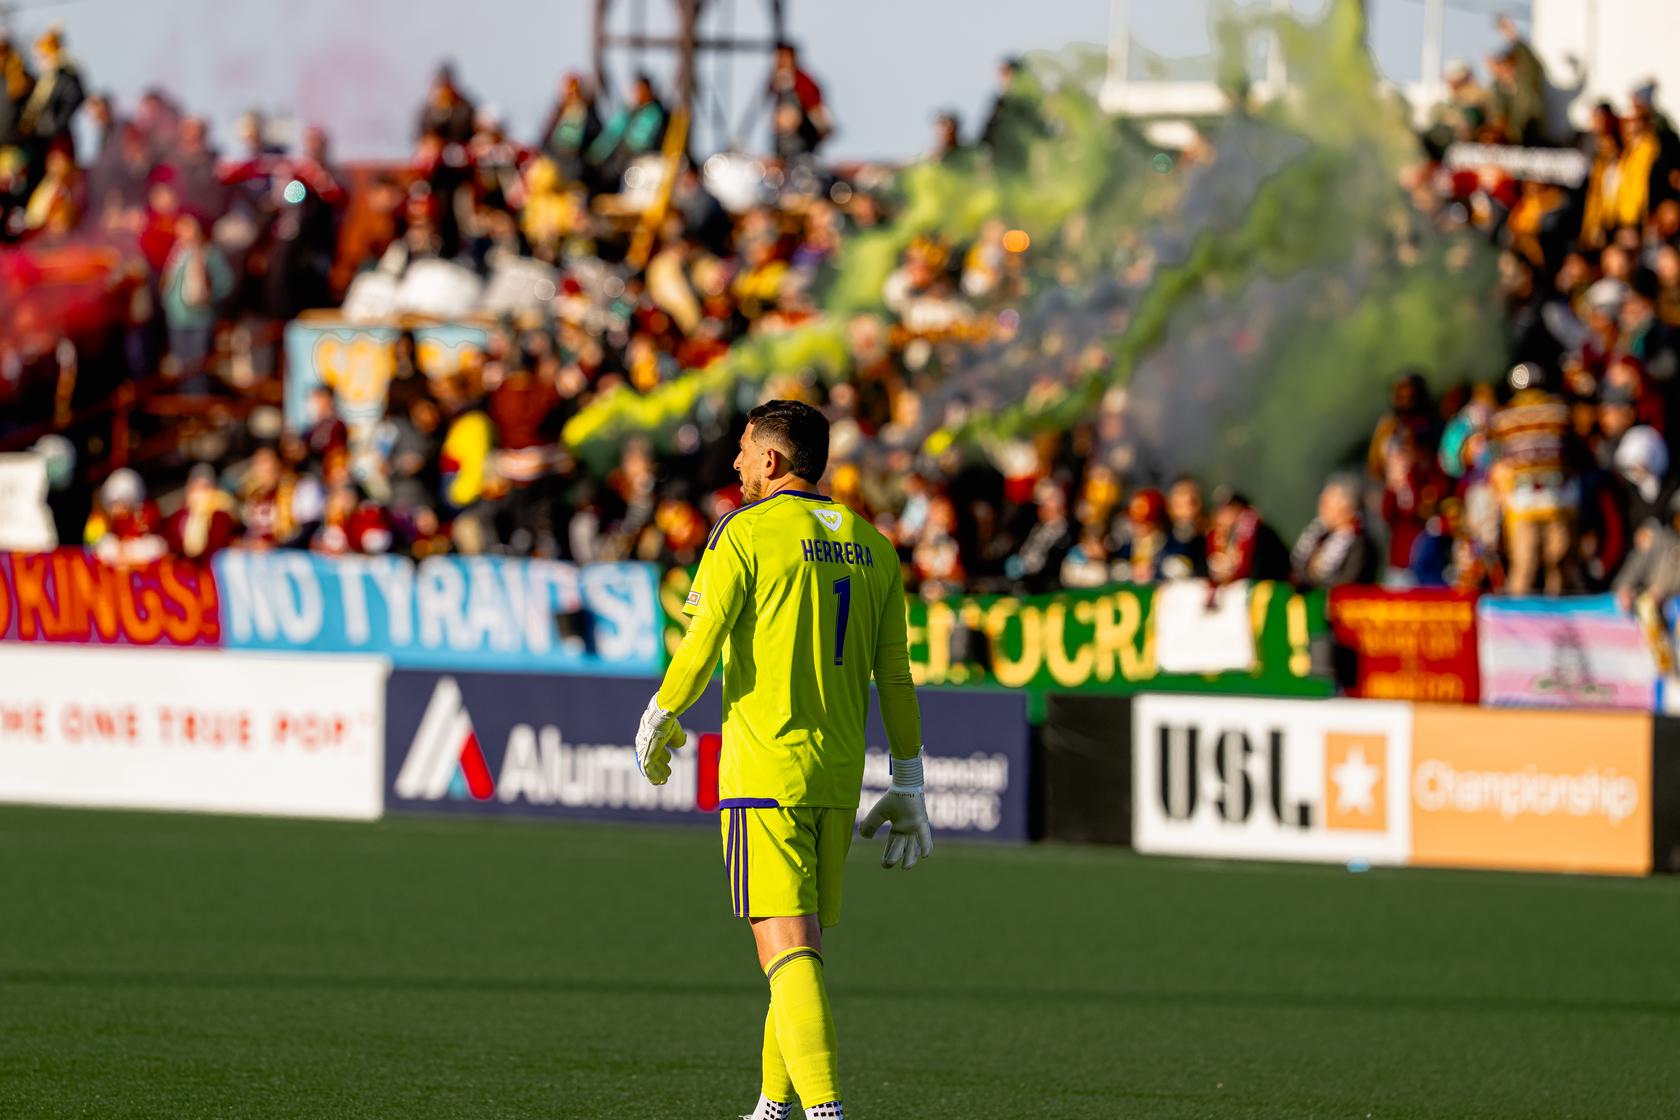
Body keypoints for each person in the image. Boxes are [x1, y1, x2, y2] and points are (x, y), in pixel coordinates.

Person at [632, 399, 929, 1120]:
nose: (734, 463)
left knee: (785, 951)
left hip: (766, 772)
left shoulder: (745, 533)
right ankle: (771, 1105)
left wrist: (661, 711)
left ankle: (823, 1111)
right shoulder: (875, 545)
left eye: (741, 450)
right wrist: (909, 780)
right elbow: (896, 676)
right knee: (801, 952)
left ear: (771, 460)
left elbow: (701, 643)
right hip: (835, 778)